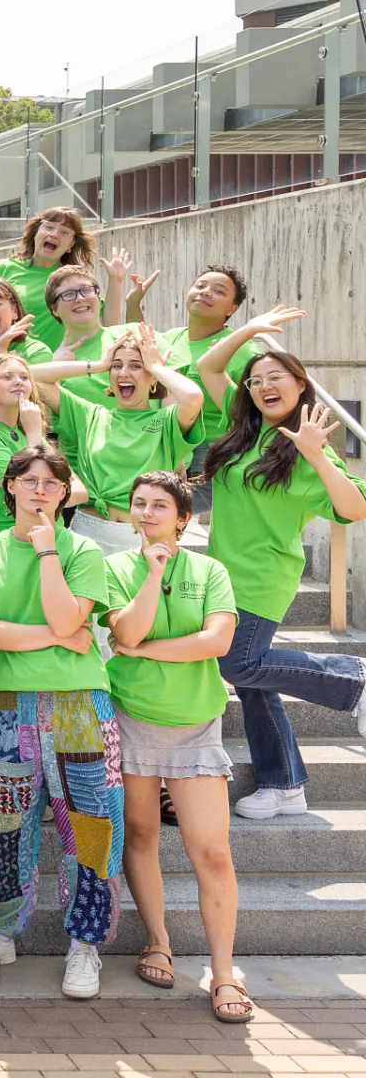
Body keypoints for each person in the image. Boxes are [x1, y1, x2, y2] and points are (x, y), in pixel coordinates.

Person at [196, 312, 366, 817]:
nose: (265, 386)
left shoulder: (306, 449)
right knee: (253, 684)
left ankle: (352, 678)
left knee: (239, 664)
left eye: (277, 377)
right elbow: (208, 368)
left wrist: (317, 455)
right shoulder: (243, 432)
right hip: (221, 571)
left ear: (300, 384)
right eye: (256, 380)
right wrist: (250, 331)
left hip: (263, 575)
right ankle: (284, 783)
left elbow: (355, 508)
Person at [0, 444, 121, 998]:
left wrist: (48, 550)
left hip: (81, 704)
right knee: (0, 826)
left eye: (51, 482)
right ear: (9, 486)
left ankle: (85, 945)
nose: (39, 490)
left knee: (93, 827)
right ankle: (2, 928)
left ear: (64, 492)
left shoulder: (83, 550)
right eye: (28, 480)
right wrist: (58, 637)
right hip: (11, 702)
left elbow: (65, 614)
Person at [103, 471, 248, 1022]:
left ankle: (224, 972)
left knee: (212, 851)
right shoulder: (115, 568)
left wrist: (143, 650)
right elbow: (126, 633)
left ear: (184, 518)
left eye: (159, 505)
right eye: (139, 503)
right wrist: (152, 574)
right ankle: (158, 941)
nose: (146, 513)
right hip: (132, 716)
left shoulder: (211, 570)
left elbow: (217, 641)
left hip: (195, 724)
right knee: (140, 835)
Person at [30, 324, 204, 558]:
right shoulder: (89, 415)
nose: (124, 373)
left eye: (136, 366)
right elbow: (30, 376)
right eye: (117, 365)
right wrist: (97, 365)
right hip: (88, 533)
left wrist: (156, 367)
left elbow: (193, 397)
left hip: (143, 536)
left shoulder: (168, 421)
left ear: (152, 378)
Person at [0, 353, 72, 551]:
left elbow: (78, 491)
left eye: (24, 377)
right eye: (7, 377)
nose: (18, 381)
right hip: (11, 540)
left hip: (54, 533)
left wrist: (34, 434)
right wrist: (35, 434)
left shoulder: (27, 431)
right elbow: (28, 489)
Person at [152, 264, 258, 446]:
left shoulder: (243, 350)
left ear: (231, 309)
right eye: (200, 286)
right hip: (167, 443)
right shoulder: (170, 338)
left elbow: (255, 410)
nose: (206, 292)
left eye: (219, 291)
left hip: (213, 449)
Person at [0, 207, 98, 352]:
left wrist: (116, 280)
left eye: (64, 232)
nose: (54, 235)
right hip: (7, 360)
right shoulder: (3, 269)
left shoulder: (74, 280)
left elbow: (105, 322)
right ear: (36, 232)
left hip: (56, 362)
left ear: (71, 243)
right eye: (49, 227)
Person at [37, 263, 134, 408]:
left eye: (87, 290)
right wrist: (54, 367)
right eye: (68, 294)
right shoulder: (57, 363)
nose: (80, 298)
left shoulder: (132, 333)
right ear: (54, 309)